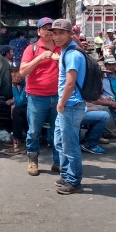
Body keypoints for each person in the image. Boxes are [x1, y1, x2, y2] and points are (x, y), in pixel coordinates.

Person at [18, 17, 61, 177]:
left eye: (52, 29)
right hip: (37, 98)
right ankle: (33, 160)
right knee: (34, 131)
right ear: (39, 31)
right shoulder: (32, 49)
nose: (49, 31)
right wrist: (39, 58)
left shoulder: (61, 48)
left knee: (57, 131)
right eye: (45, 28)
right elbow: (22, 72)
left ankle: (57, 162)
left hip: (57, 97)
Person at [51, 19, 87, 195]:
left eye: (61, 33)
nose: (57, 37)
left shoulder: (72, 54)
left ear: (70, 34)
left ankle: (74, 180)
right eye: (55, 33)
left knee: (70, 145)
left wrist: (61, 103)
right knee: (61, 142)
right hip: (67, 105)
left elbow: (70, 83)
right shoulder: (67, 51)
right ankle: (66, 175)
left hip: (70, 105)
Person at [4, 67, 28, 155]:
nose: (13, 74)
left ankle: (18, 144)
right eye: (12, 72)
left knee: (17, 110)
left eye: (15, 71)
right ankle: (16, 139)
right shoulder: (21, 83)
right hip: (27, 107)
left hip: (34, 108)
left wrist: (13, 86)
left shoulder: (26, 82)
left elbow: (20, 102)